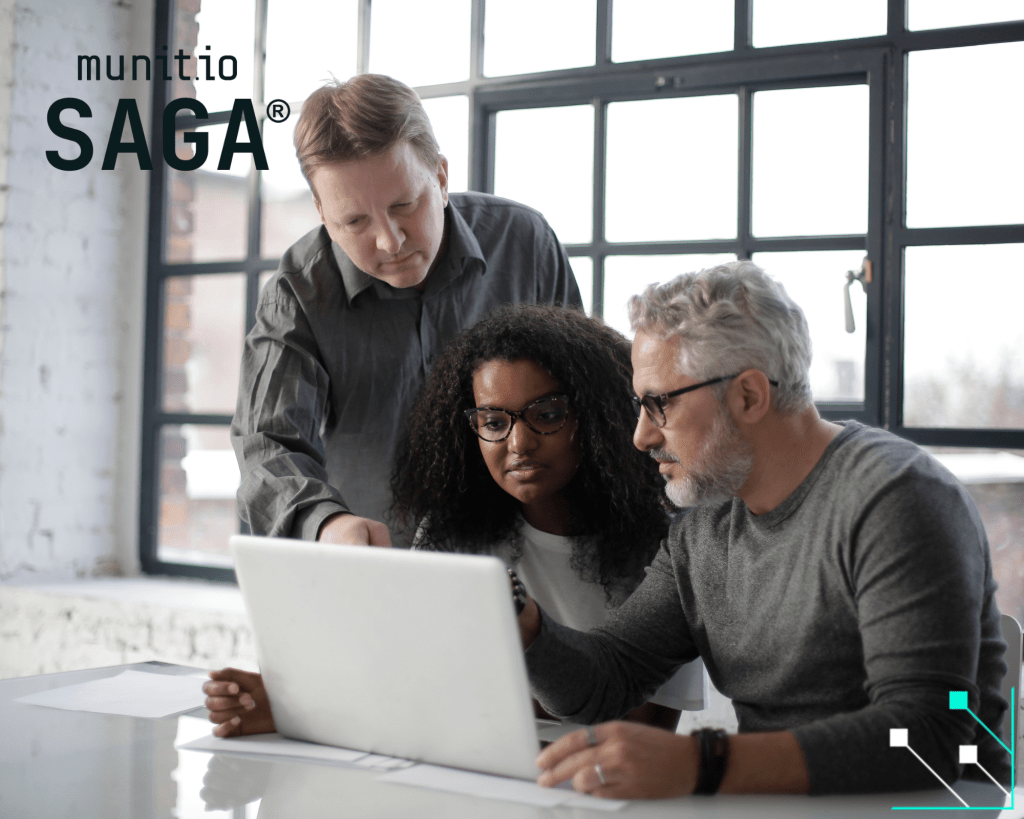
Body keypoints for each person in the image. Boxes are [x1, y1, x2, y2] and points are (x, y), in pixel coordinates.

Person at [521, 260, 1009, 798]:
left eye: (659, 404)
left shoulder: (897, 497)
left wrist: (699, 762)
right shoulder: (704, 525)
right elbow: (608, 677)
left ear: (749, 396)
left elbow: (925, 737)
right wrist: (525, 628)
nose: (641, 436)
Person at [204, 305, 706, 735]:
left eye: (547, 415)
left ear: (597, 418)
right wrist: (296, 707)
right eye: (493, 421)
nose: (518, 443)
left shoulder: (663, 547)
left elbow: (640, 727)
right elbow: (407, 676)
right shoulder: (453, 533)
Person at [232, 74, 581, 548]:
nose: (389, 241)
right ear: (321, 210)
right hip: (377, 566)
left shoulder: (525, 242)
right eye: (354, 221)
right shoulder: (297, 291)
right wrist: (326, 523)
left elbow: (584, 397)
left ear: (440, 175)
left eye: (404, 204)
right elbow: (267, 444)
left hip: (538, 556)